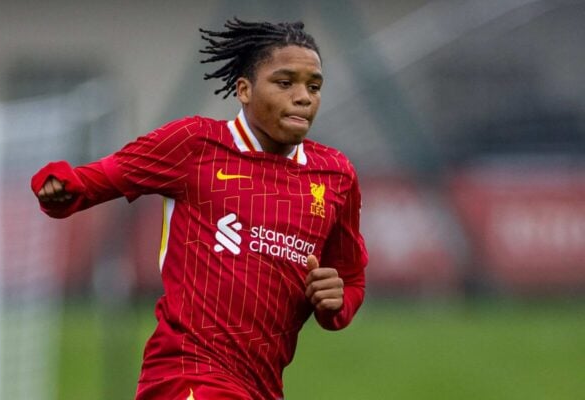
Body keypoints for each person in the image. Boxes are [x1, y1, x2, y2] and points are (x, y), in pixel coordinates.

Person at [31, 18, 368, 400]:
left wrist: (335, 302)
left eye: (314, 86)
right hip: (186, 376)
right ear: (244, 89)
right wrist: (59, 185)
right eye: (285, 82)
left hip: (261, 386)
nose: (304, 97)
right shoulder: (195, 145)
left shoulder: (336, 175)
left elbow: (350, 279)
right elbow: (98, 179)